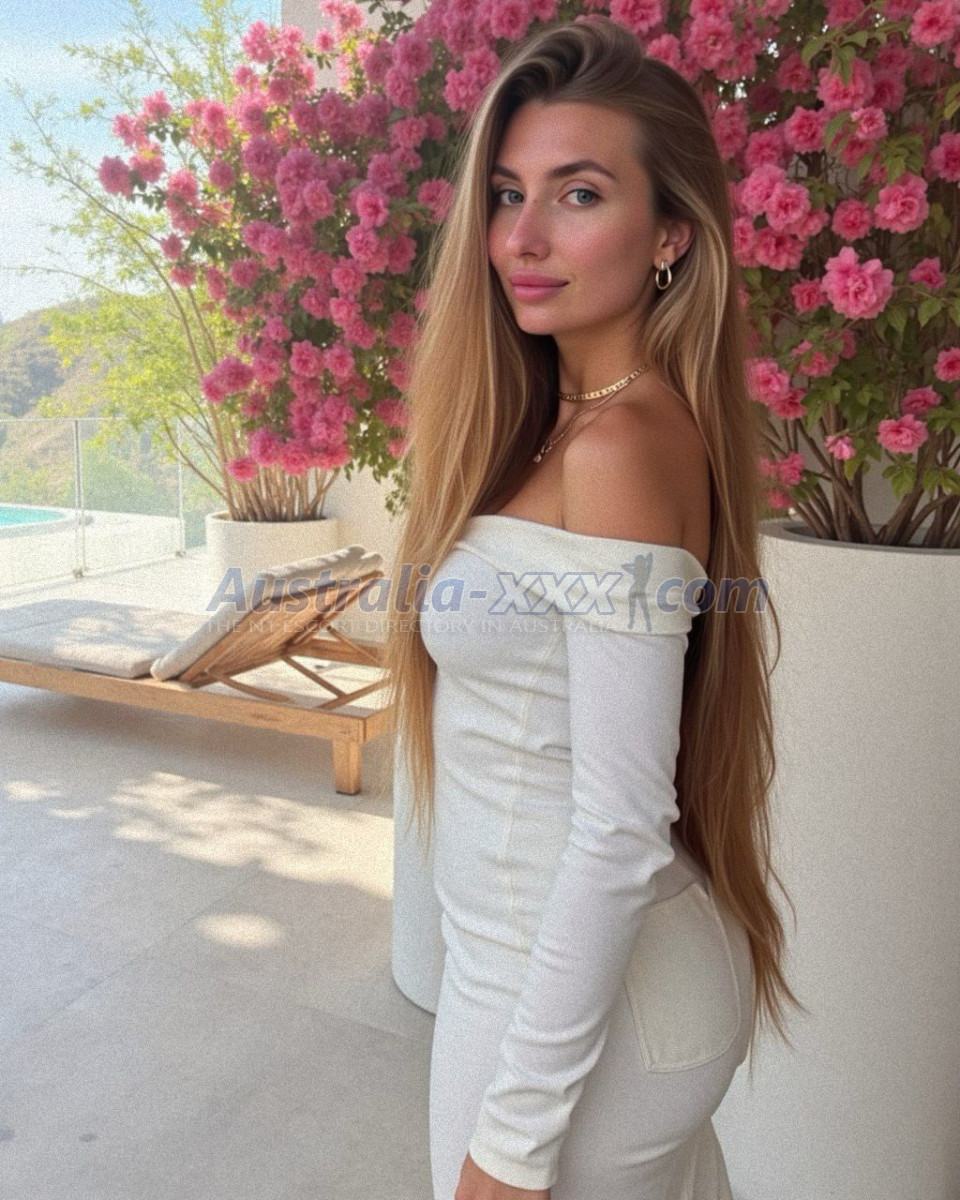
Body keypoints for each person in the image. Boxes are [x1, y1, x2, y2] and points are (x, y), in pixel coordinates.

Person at [382, 15, 806, 1200]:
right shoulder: (559, 426)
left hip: (575, 992)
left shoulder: (621, 446)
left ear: (671, 233)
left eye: (578, 193)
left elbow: (620, 823)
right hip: (549, 969)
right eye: (506, 194)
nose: (522, 237)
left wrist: (514, 1146)